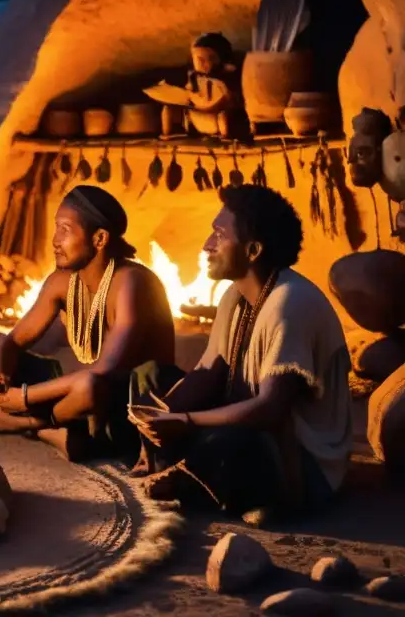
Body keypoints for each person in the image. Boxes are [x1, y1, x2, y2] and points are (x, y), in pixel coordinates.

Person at [128, 185, 352, 520]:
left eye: (219, 235)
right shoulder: (234, 296)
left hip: (299, 464)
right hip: (247, 427)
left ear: (253, 250)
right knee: (148, 377)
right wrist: (159, 417)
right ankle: (191, 471)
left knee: (233, 445)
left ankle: (206, 478)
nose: (207, 245)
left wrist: (185, 422)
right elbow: (209, 372)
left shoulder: (290, 303)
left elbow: (269, 411)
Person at [0, 185, 178, 463]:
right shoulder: (62, 282)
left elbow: (103, 371)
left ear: (99, 238)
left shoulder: (131, 282)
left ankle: (33, 426)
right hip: (86, 395)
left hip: (133, 405)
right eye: (56, 228)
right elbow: (11, 342)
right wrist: (1, 382)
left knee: (87, 386)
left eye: (65, 229)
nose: (55, 240)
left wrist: (24, 399)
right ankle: (55, 428)